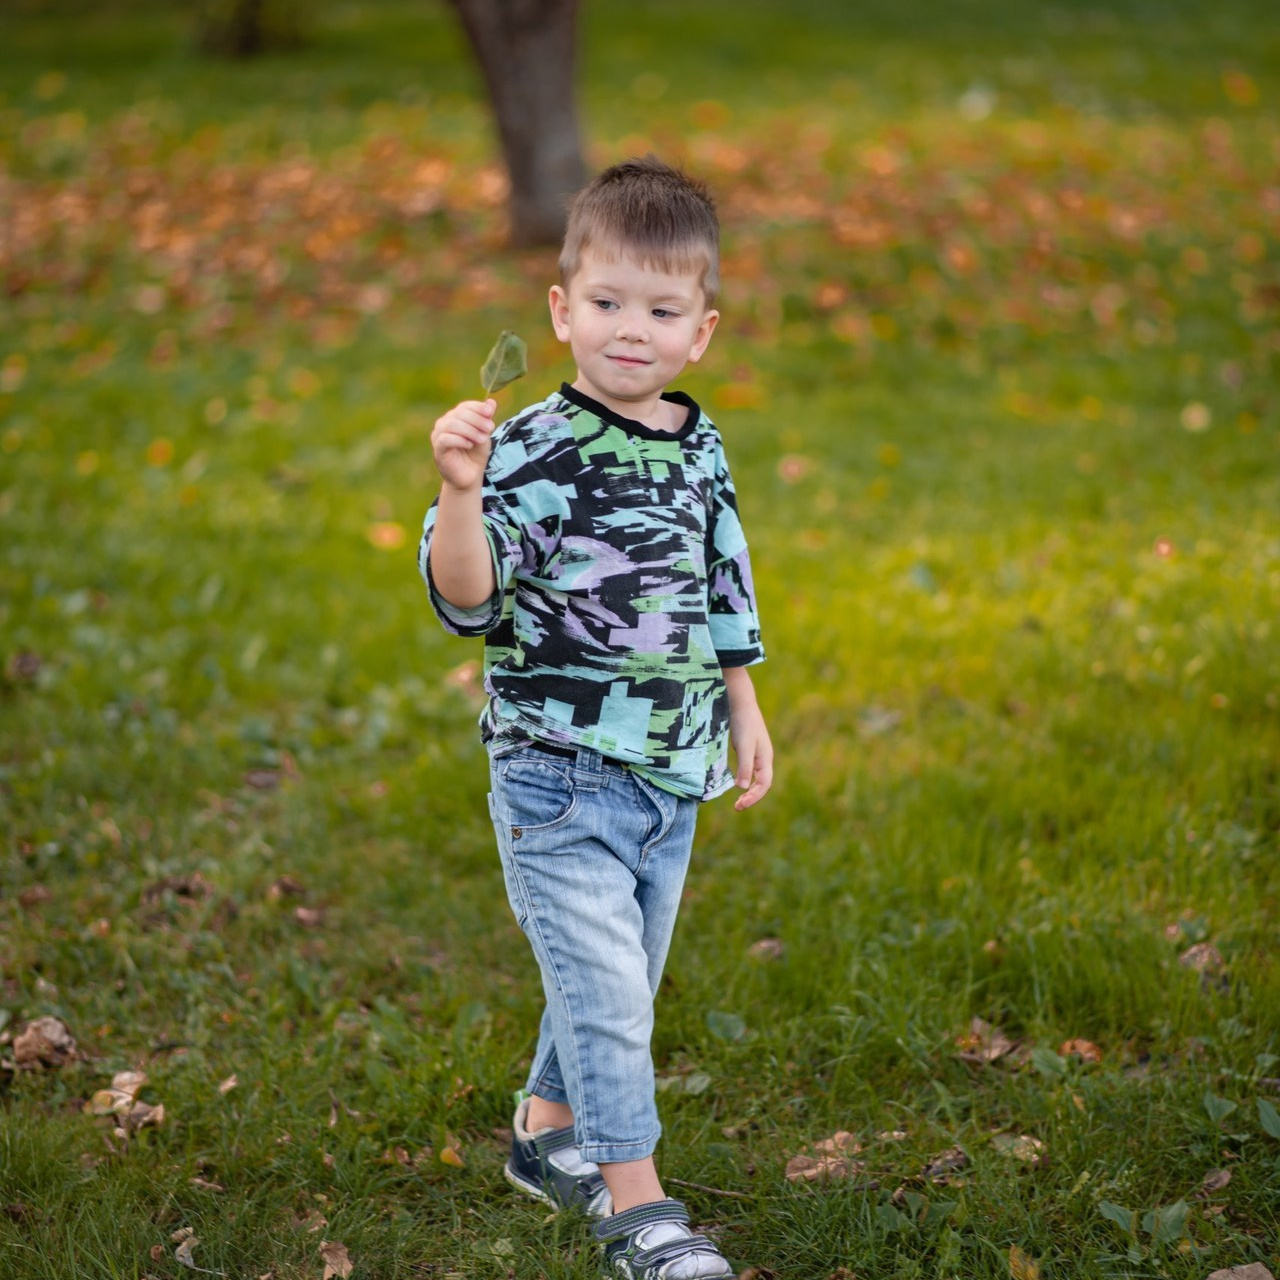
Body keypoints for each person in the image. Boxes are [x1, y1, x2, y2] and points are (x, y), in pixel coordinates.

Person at [419, 155, 771, 1279]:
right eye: (608, 303)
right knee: (612, 997)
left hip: (671, 772)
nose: (633, 330)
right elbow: (467, 601)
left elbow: (722, 578)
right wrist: (460, 494)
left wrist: (743, 702)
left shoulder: (697, 440)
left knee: (613, 975)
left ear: (699, 331)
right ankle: (639, 1207)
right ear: (562, 310)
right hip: (557, 772)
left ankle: (542, 1131)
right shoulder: (528, 449)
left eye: (661, 309)